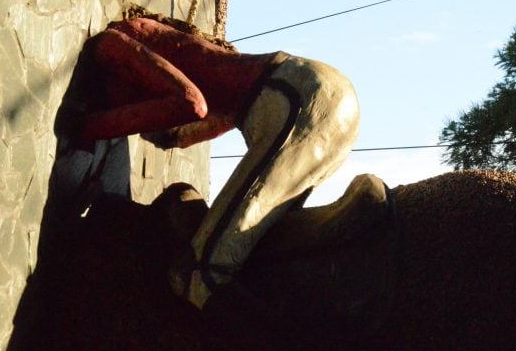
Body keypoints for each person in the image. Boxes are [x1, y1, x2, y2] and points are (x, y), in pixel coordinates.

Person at [78, 16, 360, 309]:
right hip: (321, 103)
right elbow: (180, 131)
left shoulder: (143, 38)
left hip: (302, 97)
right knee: (264, 246)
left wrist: (88, 129)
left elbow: (188, 111)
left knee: (208, 269)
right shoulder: (217, 88)